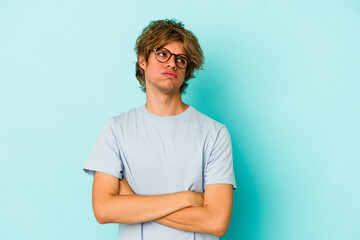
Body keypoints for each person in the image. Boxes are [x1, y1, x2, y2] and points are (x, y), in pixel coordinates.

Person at [83, 19, 236, 240]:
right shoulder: (116, 128)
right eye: (162, 54)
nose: (172, 64)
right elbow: (104, 210)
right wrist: (187, 198)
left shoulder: (214, 133)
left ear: (186, 70)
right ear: (143, 60)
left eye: (181, 59)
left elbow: (217, 222)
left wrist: (133, 200)